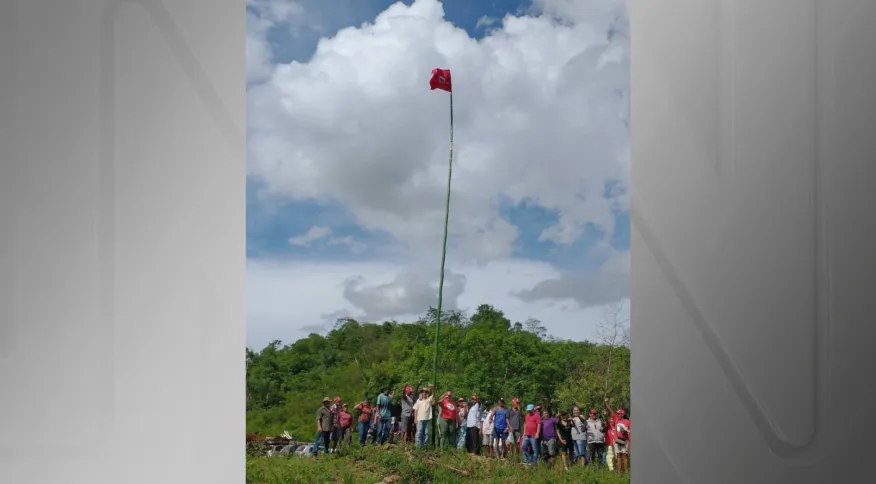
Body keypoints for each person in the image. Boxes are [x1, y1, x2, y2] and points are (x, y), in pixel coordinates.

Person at [399, 380, 421, 445]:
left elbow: (415, 392)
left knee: (409, 429)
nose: (411, 392)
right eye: (410, 391)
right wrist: (404, 387)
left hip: (410, 415)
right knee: (404, 429)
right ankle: (402, 442)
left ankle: (406, 441)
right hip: (405, 414)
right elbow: (403, 394)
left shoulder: (410, 398)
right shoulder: (404, 397)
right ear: (407, 391)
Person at [612, 407, 631, 474]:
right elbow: (611, 411)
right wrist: (606, 403)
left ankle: (626, 471)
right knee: (618, 455)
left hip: (625, 440)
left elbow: (630, 431)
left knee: (624, 456)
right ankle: (619, 471)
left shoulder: (627, 421)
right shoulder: (616, 420)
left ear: (622, 414)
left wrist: (626, 431)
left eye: (619, 414)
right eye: (617, 414)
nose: (618, 415)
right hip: (617, 440)